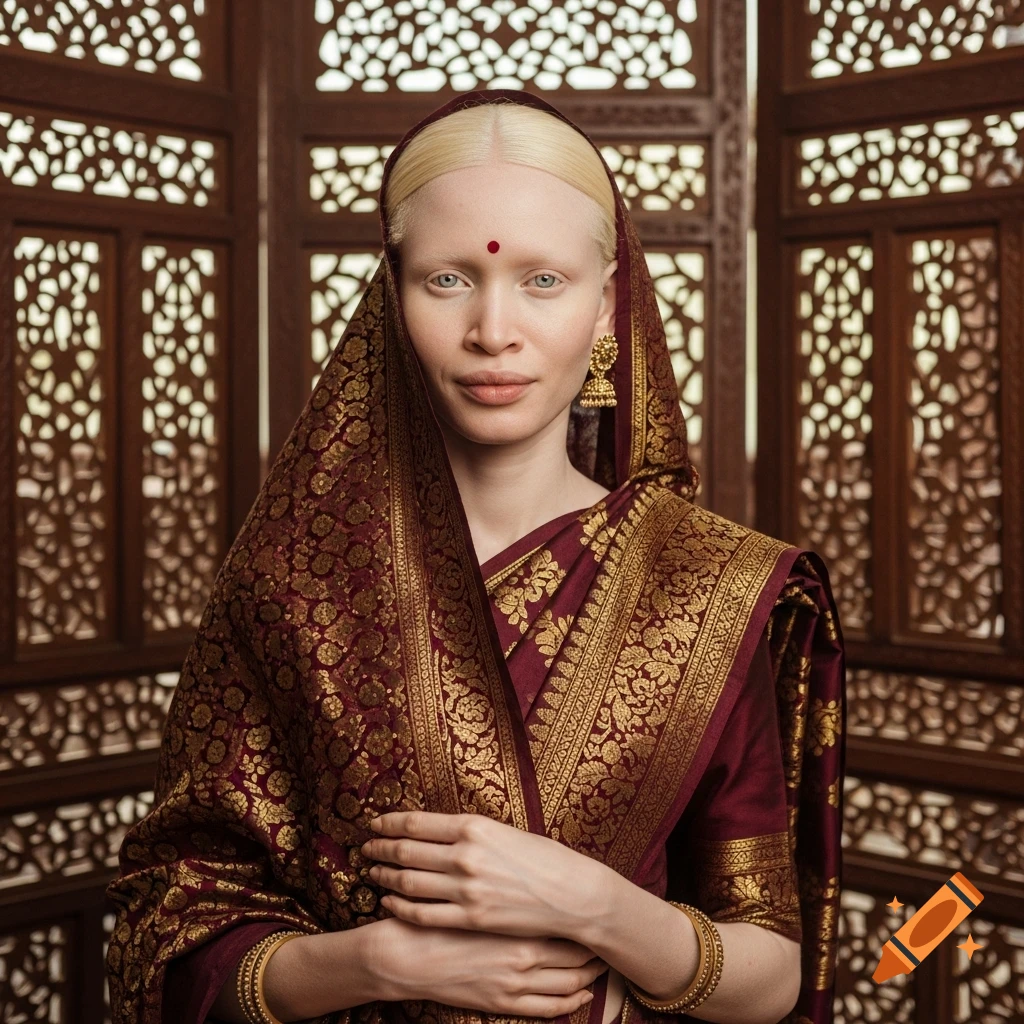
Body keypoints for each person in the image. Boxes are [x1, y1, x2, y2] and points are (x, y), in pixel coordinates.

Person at [106, 89, 845, 1024]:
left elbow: (775, 973)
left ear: (610, 305)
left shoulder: (709, 584)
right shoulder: (292, 586)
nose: (494, 329)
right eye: (448, 279)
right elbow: (162, 930)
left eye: (544, 280)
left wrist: (600, 908)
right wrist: (380, 962)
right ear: (391, 298)